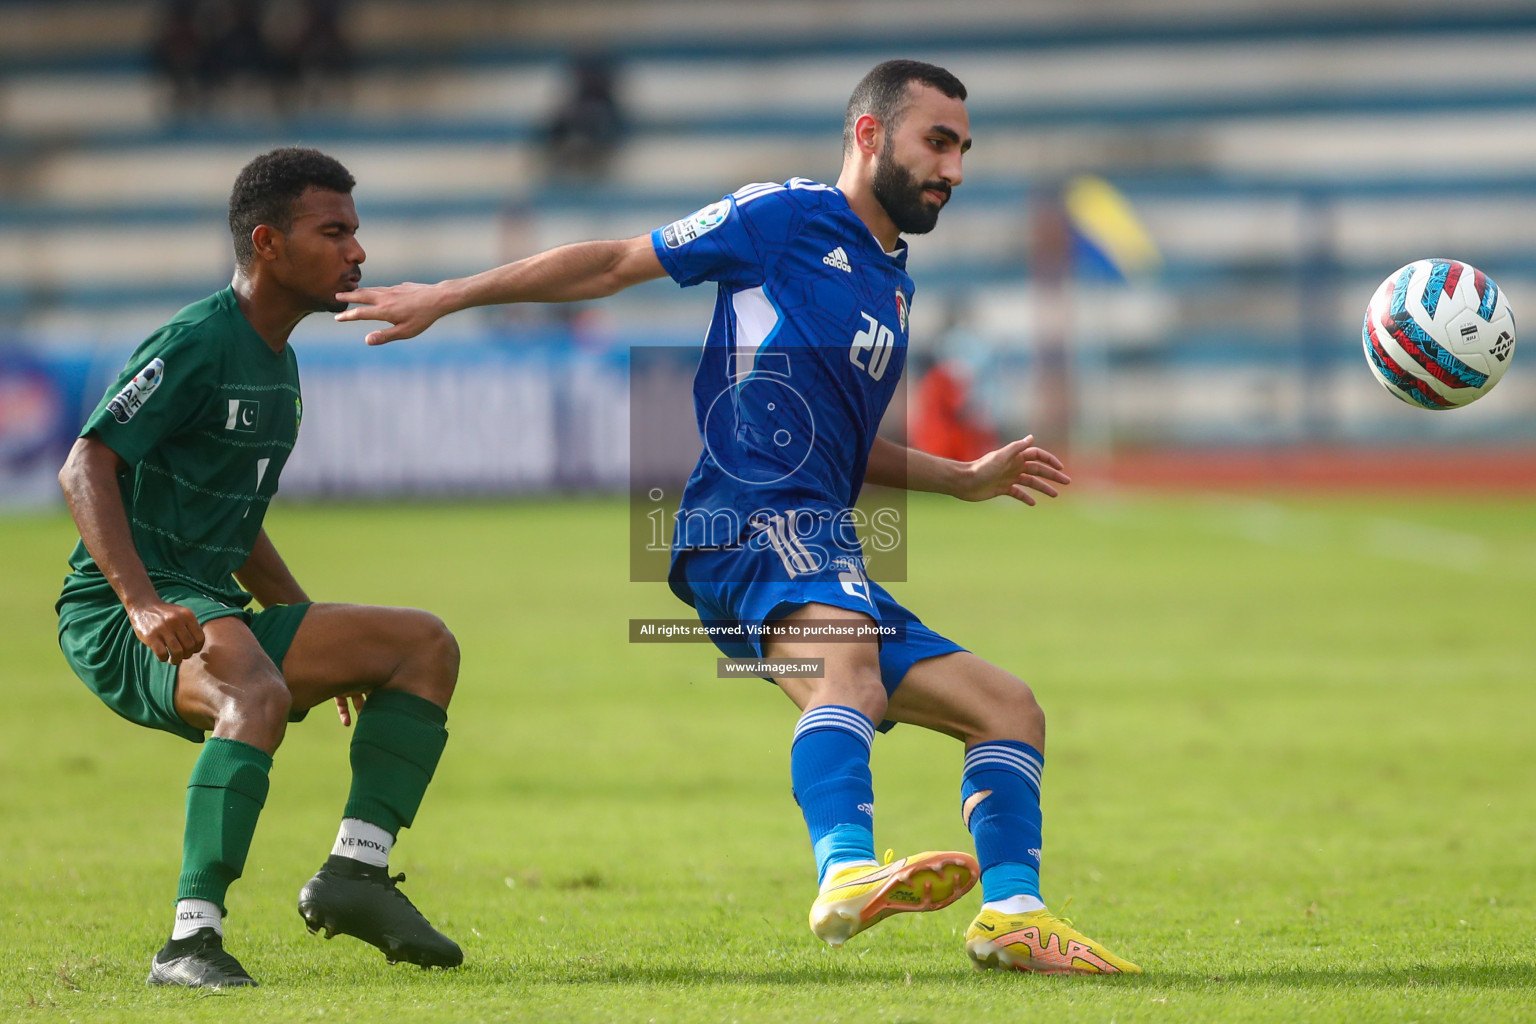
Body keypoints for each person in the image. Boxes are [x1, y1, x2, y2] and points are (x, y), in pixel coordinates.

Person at [336, 60, 1139, 975]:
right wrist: (447, 294)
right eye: (937, 141)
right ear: (870, 136)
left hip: (813, 534)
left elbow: (844, 445)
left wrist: (961, 480)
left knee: (1006, 709)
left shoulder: (895, 282)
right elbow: (613, 262)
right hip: (747, 518)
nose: (954, 168)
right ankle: (843, 872)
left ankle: (1013, 916)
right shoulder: (786, 217)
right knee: (850, 675)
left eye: (963, 148)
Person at [55, 147, 463, 989]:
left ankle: (355, 874)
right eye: (336, 231)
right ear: (270, 243)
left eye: (357, 232)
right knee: (254, 690)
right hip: (119, 612)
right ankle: (188, 940)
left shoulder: (280, 366)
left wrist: (321, 633)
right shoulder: (199, 340)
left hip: (209, 602)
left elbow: (236, 526)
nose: (357, 252)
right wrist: (137, 603)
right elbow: (84, 464)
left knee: (421, 646)